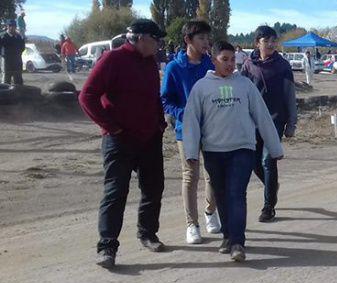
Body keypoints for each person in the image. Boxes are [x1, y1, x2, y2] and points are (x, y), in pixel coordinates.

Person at [78, 19, 168, 269]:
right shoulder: (112, 59)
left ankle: (147, 233)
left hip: (149, 138)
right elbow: (87, 96)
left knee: (153, 188)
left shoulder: (150, 62)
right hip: (119, 140)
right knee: (116, 192)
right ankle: (107, 247)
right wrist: (111, 127)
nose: (159, 44)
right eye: (156, 39)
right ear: (141, 38)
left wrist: (160, 123)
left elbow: (153, 97)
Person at [183, 41, 284, 262]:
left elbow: (262, 116)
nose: (230, 64)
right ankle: (228, 236)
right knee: (221, 194)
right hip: (213, 151)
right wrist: (191, 153)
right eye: (224, 60)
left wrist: (275, 147)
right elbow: (191, 121)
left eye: (232, 60)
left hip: (242, 149)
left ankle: (238, 242)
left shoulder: (245, 85)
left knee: (236, 193)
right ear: (214, 60)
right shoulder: (201, 87)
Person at [160, 20, 218, 245]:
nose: (206, 42)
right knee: (190, 175)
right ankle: (192, 224)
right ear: (188, 40)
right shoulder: (174, 68)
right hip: (186, 130)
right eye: (201, 38)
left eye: (207, 38)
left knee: (213, 174)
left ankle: (210, 212)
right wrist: (183, 113)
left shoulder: (211, 65)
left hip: (212, 128)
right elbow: (166, 99)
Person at [240, 25, 297, 222]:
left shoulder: (283, 66)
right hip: (253, 121)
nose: (271, 44)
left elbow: (290, 95)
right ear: (257, 43)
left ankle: (268, 207)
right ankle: (271, 185)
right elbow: (241, 92)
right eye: (266, 41)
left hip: (275, 120)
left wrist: (292, 123)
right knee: (254, 162)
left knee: (268, 161)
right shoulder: (248, 65)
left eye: (274, 41)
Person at [0, 19, 25, 86]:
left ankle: (19, 92)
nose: (12, 27)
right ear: (7, 26)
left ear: (15, 27)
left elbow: (22, 47)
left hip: (17, 60)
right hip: (6, 61)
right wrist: (4, 55)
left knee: (18, 79)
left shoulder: (19, 37)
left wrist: (17, 54)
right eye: (10, 25)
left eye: (13, 26)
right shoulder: (2, 36)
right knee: (6, 80)